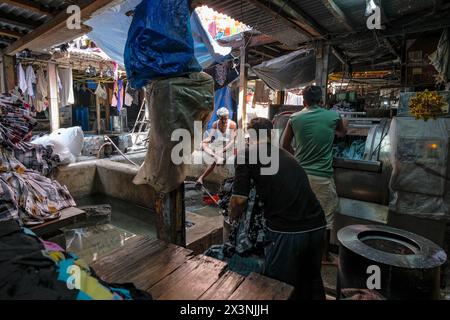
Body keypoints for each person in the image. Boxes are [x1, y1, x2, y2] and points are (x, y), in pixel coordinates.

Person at [229, 117, 327, 300]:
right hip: (317, 226)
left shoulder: (246, 154)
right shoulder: (286, 155)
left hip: (288, 231)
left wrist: (232, 218)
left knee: (278, 287)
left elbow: (239, 201)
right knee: (311, 282)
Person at [281, 85, 347, 264]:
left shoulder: (294, 117)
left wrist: (298, 157)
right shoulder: (333, 116)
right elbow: (343, 133)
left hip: (300, 176)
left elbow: (284, 145)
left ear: (303, 101)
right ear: (322, 101)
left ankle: (297, 253)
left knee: (300, 214)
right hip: (323, 177)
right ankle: (324, 256)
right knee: (325, 218)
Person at [196, 107, 237, 186]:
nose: (224, 121)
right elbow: (210, 137)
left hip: (228, 146)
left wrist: (222, 150)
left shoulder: (232, 124)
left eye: (226, 118)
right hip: (218, 144)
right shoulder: (215, 124)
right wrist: (203, 141)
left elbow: (232, 141)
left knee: (216, 158)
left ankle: (201, 177)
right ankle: (216, 157)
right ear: (218, 117)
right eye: (222, 119)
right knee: (204, 145)